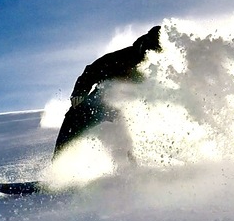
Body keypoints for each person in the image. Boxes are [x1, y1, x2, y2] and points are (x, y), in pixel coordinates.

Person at [53, 25, 162, 157]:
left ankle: (134, 168)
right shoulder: (124, 56)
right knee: (74, 116)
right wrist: (79, 92)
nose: (149, 54)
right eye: (148, 49)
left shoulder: (168, 64)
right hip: (102, 101)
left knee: (133, 129)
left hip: (137, 108)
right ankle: (59, 161)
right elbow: (92, 70)